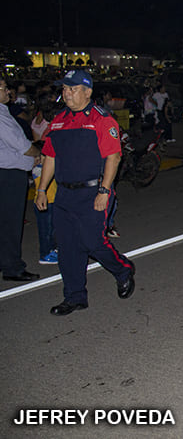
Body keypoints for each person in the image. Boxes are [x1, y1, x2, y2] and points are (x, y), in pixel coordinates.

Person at [36, 70, 135, 315]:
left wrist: (104, 190)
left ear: (87, 92)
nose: (67, 93)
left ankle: (123, 269)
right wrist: (41, 189)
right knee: (67, 247)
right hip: (65, 195)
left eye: (72, 89)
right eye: (64, 89)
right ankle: (74, 296)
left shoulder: (101, 119)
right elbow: (50, 157)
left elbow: (113, 157)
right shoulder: (59, 121)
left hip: (93, 192)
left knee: (93, 242)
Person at [0, 78, 41, 282]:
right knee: (11, 222)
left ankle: (5, 261)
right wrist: (37, 154)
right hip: (8, 175)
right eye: (3, 88)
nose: (8, 92)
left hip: (7, 173)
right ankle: (12, 267)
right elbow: (22, 146)